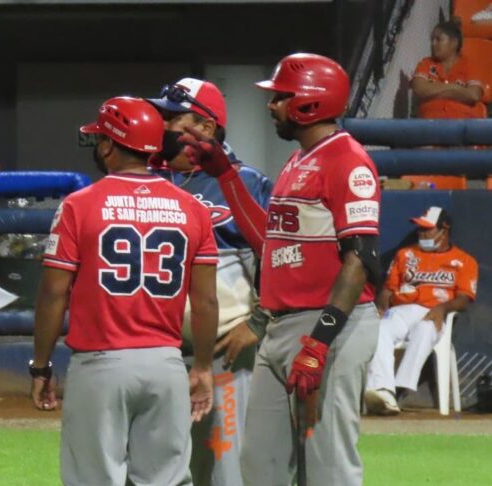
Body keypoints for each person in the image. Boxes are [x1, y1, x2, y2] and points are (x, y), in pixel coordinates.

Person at [180, 53, 382, 486]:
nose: (271, 105)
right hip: (282, 325)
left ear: (309, 102)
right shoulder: (299, 160)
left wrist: (320, 341)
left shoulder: (348, 160)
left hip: (329, 324)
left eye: (281, 97)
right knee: (261, 466)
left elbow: (360, 260)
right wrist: (227, 177)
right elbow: (268, 245)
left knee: (328, 466)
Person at [30, 96, 219, 486]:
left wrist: (41, 365)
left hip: (101, 364)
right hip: (166, 364)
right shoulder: (193, 208)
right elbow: (205, 301)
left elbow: (53, 294)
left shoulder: (79, 205)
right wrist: (202, 365)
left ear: (108, 145)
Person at [146, 77, 272, 486]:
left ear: (206, 127)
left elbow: (280, 258)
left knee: (223, 465)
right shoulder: (145, 178)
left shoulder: (247, 182)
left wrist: (259, 321)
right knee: (155, 464)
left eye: (172, 117)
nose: (162, 124)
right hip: (153, 349)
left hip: (223, 350)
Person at [365, 206, 478, 415]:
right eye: (420, 229)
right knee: (380, 329)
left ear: (444, 230)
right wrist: (381, 306)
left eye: (428, 229)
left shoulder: (464, 261)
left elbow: (464, 299)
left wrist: (443, 308)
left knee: (425, 330)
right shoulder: (405, 254)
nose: (422, 234)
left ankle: (398, 391)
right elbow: (388, 289)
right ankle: (381, 389)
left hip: (434, 313)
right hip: (402, 310)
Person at [412, 19, 489, 119]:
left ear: (454, 43)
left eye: (438, 40)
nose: (433, 44)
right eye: (432, 40)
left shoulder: (469, 65)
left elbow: (473, 96)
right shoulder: (425, 63)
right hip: (431, 121)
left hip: (464, 121)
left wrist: (433, 90)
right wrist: (455, 88)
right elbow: (419, 90)